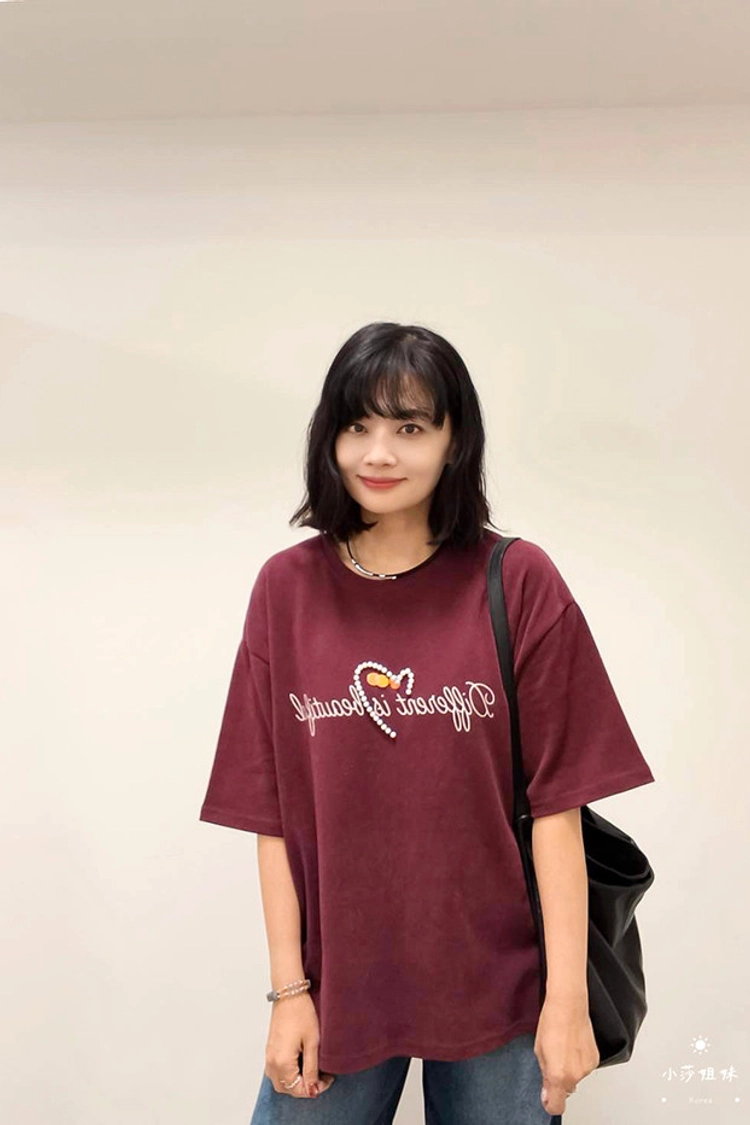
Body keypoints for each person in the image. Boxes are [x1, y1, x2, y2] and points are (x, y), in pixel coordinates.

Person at [199, 321, 656, 1124]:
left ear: (454, 441)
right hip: (338, 987)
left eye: (409, 427)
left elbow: (557, 807)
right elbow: (271, 816)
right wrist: (289, 991)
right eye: (356, 425)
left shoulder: (517, 579)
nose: (378, 453)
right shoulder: (286, 590)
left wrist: (566, 1002)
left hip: (502, 994)